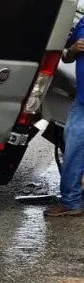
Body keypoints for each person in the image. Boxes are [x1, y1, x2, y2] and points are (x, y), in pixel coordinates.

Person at [45, 16, 84, 217]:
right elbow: (66, 56)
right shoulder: (83, 23)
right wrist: (74, 50)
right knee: (73, 151)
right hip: (82, 102)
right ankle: (71, 202)